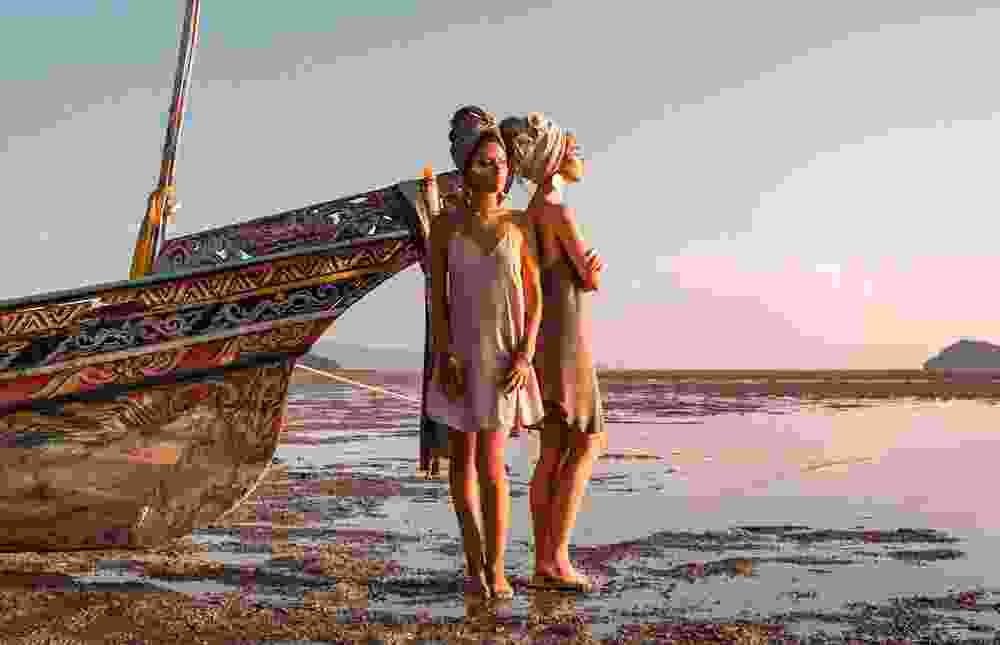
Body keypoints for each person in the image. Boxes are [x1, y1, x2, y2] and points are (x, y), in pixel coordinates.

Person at [424, 105, 545, 599]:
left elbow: (536, 299)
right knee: (461, 463)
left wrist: (525, 355)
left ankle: (498, 569)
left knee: (493, 465)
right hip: (457, 355)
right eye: (484, 163)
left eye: (501, 164)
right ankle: (474, 565)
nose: (496, 171)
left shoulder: (519, 224)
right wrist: (446, 355)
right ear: (466, 168)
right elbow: (437, 299)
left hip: (504, 358)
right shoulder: (445, 226)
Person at [500, 111, 605, 593]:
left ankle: (546, 560)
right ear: (551, 157)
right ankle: (555, 558)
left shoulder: (530, 213)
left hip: (547, 337)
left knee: (553, 449)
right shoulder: (558, 210)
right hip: (567, 337)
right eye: (569, 145)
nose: (577, 151)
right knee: (585, 442)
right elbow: (590, 277)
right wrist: (594, 269)